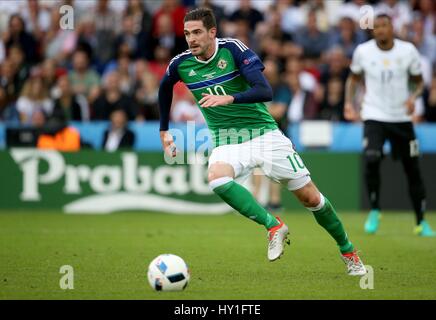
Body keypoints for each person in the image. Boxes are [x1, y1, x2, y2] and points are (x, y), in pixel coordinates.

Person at [159, 8, 366, 275]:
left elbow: (264, 90)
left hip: (264, 134)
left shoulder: (233, 50)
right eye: (187, 34)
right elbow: (164, 88)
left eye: (197, 32)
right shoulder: (181, 63)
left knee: (311, 198)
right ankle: (274, 225)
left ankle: (348, 250)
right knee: (217, 179)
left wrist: (230, 98)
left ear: (212, 32)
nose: (191, 39)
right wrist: (164, 130)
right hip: (228, 140)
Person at [344, 14, 435, 237]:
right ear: (373, 30)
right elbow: (354, 79)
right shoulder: (363, 51)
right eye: (377, 27)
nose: (381, 30)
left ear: (392, 27)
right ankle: (375, 210)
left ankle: (421, 222)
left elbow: (418, 82)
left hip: (401, 118)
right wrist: (348, 103)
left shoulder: (408, 51)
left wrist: (413, 97)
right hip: (374, 115)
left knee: (412, 169)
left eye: (385, 26)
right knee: (372, 158)